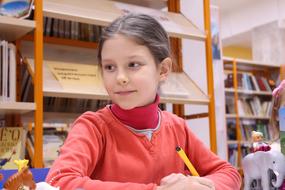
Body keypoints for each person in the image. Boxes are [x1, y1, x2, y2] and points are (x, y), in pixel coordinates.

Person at [46, 13, 241, 190]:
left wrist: (202, 186)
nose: (120, 77)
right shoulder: (92, 128)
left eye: (133, 65)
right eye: (110, 67)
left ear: (163, 70)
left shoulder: (177, 127)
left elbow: (229, 173)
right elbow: (59, 181)